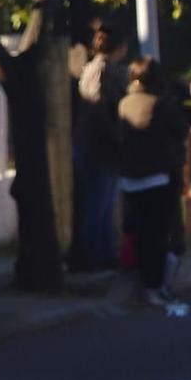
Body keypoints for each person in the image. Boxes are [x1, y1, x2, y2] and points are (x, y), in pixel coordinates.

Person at [115, 57, 189, 315]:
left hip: (129, 178)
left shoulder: (123, 104)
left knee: (139, 231)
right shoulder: (161, 104)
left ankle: (144, 281)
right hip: (158, 176)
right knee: (158, 234)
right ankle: (155, 285)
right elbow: (181, 130)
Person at [70, 17, 126, 271]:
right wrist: (116, 134)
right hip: (97, 146)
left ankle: (105, 253)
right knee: (98, 203)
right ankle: (93, 255)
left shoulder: (105, 69)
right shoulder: (100, 70)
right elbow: (98, 109)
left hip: (103, 147)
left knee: (105, 204)